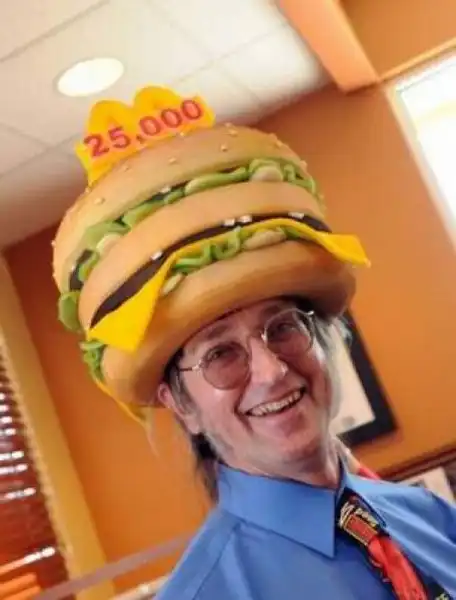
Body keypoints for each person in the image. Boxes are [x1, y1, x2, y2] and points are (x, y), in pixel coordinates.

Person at [52, 86, 456, 599]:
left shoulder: (432, 517)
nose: (272, 370)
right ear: (182, 406)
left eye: (282, 327)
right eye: (220, 354)